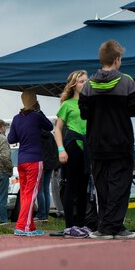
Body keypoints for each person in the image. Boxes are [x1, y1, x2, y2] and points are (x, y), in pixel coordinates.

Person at [80, 40, 135, 239]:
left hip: (96, 143)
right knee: (120, 186)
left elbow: (84, 113)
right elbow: (134, 109)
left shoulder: (88, 86)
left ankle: (105, 227)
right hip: (120, 142)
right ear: (116, 60)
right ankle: (114, 226)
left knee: (102, 186)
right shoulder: (128, 82)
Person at [7, 90, 53, 236]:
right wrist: (39, 111)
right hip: (35, 160)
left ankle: (30, 226)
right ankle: (22, 226)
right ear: (35, 102)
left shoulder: (16, 118)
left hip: (21, 160)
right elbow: (50, 127)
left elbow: (11, 139)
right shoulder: (37, 116)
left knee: (25, 194)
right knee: (31, 194)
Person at [53, 70, 90, 238]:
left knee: (84, 188)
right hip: (72, 144)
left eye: (86, 80)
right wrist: (61, 149)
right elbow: (58, 129)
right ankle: (69, 226)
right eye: (82, 81)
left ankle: (82, 224)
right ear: (74, 85)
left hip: (87, 147)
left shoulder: (90, 102)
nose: (85, 83)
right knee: (71, 187)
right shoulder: (67, 104)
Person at [38, 126, 60, 222]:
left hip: (41, 164)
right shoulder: (50, 135)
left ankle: (41, 214)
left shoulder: (37, 135)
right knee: (46, 189)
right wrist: (56, 167)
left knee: (40, 190)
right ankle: (46, 214)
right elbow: (55, 150)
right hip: (50, 165)